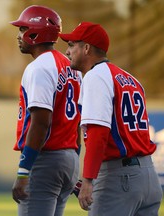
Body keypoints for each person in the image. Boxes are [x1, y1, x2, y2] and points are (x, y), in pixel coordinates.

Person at [60, 22, 163, 215]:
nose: (67, 51)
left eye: (72, 44)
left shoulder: (96, 77)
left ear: (87, 48)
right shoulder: (131, 78)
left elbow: (99, 133)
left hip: (120, 178)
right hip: (148, 176)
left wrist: (89, 179)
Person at [10, 5, 82, 216]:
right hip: (69, 156)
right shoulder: (70, 66)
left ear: (36, 32)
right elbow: (77, 119)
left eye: (23, 29)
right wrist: (73, 160)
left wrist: (24, 171)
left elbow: (41, 121)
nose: (19, 35)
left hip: (46, 158)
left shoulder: (40, 67)